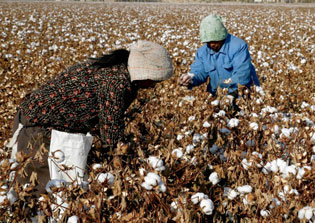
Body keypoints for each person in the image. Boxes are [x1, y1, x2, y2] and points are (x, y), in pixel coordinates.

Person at [9, 40, 173, 195]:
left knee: (60, 189)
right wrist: (128, 163)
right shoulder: (116, 81)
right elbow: (111, 133)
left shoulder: (118, 69)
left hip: (42, 123)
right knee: (38, 191)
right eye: (155, 79)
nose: (153, 85)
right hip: (36, 130)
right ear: (144, 71)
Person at [178, 14, 260, 102]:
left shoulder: (238, 46)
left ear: (222, 35)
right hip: (217, 96)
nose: (212, 44)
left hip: (241, 95)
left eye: (214, 41)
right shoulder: (203, 52)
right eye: (208, 42)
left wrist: (231, 95)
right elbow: (199, 71)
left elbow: (242, 75)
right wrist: (190, 78)